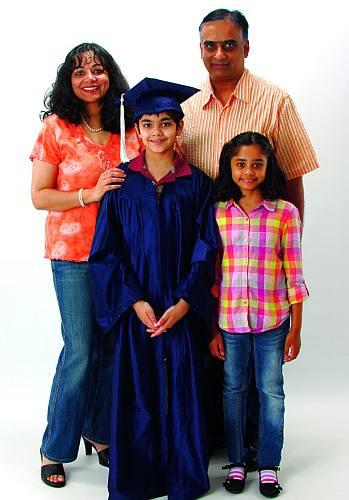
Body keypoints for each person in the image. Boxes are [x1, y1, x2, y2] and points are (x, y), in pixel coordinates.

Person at [181, 8, 319, 461]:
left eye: (229, 44)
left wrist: (286, 243)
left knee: (263, 373)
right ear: (200, 48)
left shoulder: (275, 101)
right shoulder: (188, 112)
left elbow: (294, 177)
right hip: (208, 255)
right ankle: (221, 441)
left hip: (260, 253)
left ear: (246, 47)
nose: (219, 53)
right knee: (215, 356)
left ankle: (261, 448)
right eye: (209, 45)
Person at [88, 78, 218, 500]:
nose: (157, 132)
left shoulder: (197, 184)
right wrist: (135, 300)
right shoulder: (121, 183)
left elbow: (206, 248)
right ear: (137, 131)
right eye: (148, 124)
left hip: (178, 307)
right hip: (138, 310)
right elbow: (106, 252)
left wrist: (184, 302)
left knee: (181, 387)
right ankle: (139, 478)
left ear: (179, 129)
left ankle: (182, 476)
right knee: (138, 389)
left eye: (166, 123)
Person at [30, 42, 140, 488]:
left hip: (118, 257)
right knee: (80, 350)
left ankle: (99, 432)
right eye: (80, 72)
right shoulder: (56, 128)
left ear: (110, 76)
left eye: (98, 69)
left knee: (112, 349)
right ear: (69, 81)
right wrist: (88, 194)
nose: (90, 77)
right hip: (73, 254)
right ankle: (55, 446)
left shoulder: (126, 129)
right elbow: (40, 196)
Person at [209, 131, 309, 497]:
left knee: (270, 392)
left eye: (257, 164)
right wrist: (213, 329)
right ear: (229, 167)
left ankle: (268, 464)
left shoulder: (285, 213)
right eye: (240, 164)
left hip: (272, 323)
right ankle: (236, 462)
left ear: (268, 167)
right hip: (230, 323)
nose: (248, 171)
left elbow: (294, 276)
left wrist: (295, 330)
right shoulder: (219, 213)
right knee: (233, 389)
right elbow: (214, 277)